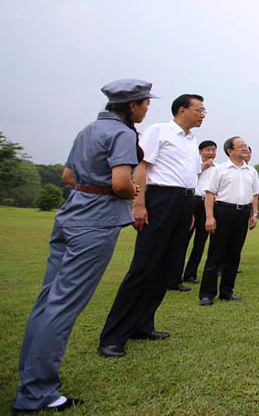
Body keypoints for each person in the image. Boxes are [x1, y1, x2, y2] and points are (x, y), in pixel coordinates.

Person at [13, 79, 154, 413]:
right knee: (64, 305)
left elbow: (67, 175)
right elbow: (121, 182)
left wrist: (94, 185)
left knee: (48, 300)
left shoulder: (88, 130)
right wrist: (130, 192)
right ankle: (37, 392)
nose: (147, 108)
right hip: (95, 223)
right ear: (131, 106)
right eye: (145, 103)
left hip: (71, 213)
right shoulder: (122, 134)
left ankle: (32, 380)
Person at [98, 94, 204, 358]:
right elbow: (142, 168)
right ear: (182, 110)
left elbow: (188, 178)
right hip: (160, 200)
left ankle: (143, 325)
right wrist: (139, 204)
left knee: (167, 269)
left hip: (183, 202)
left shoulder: (192, 141)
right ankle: (113, 336)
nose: (203, 114)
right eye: (199, 109)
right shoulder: (159, 131)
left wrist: (188, 210)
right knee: (144, 267)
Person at [198, 137, 259, 305]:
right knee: (216, 253)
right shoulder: (220, 170)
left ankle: (227, 291)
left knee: (234, 253)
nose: (245, 149)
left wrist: (254, 214)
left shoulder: (251, 171)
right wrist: (209, 217)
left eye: (245, 146)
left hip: (243, 213)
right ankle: (207, 294)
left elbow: (255, 195)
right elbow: (210, 194)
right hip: (223, 211)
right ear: (230, 151)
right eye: (240, 146)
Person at [179, 140, 217, 285]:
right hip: (192, 201)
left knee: (200, 242)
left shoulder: (217, 168)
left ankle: (190, 274)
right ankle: (175, 274)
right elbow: (189, 181)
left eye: (213, 150)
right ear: (200, 152)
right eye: (208, 150)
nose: (211, 153)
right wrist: (202, 167)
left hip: (208, 204)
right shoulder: (193, 166)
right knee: (183, 239)